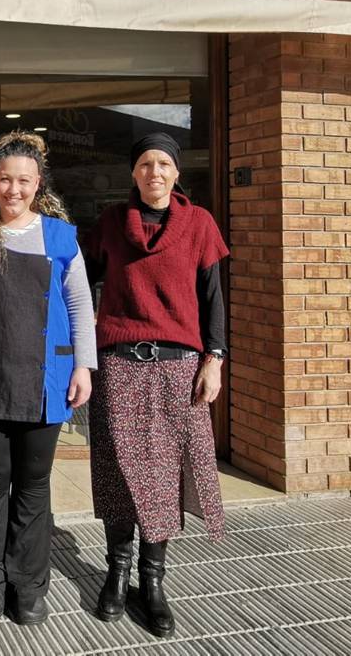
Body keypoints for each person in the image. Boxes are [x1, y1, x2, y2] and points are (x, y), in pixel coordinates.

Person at [0, 131, 97, 626]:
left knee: (33, 486)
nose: (14, 189)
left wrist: (84, 365)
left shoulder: (60, 236)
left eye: (24, 180)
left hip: (47, 380)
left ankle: (28, 585)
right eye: (5, 179)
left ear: (38, 183)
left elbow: (80, 305)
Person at [83, 132, 229, 638]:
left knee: (164, 474)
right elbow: (78, 286)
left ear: (177, 173)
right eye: (145, 163)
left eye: (163, 163)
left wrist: (215, 359)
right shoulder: (109, 224)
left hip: (178, 366)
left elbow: (213, 299)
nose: (155, 172)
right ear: (133, 173)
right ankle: (117, 574)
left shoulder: (199, 224)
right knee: (119, 468)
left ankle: (154, 580)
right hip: (120, 361)